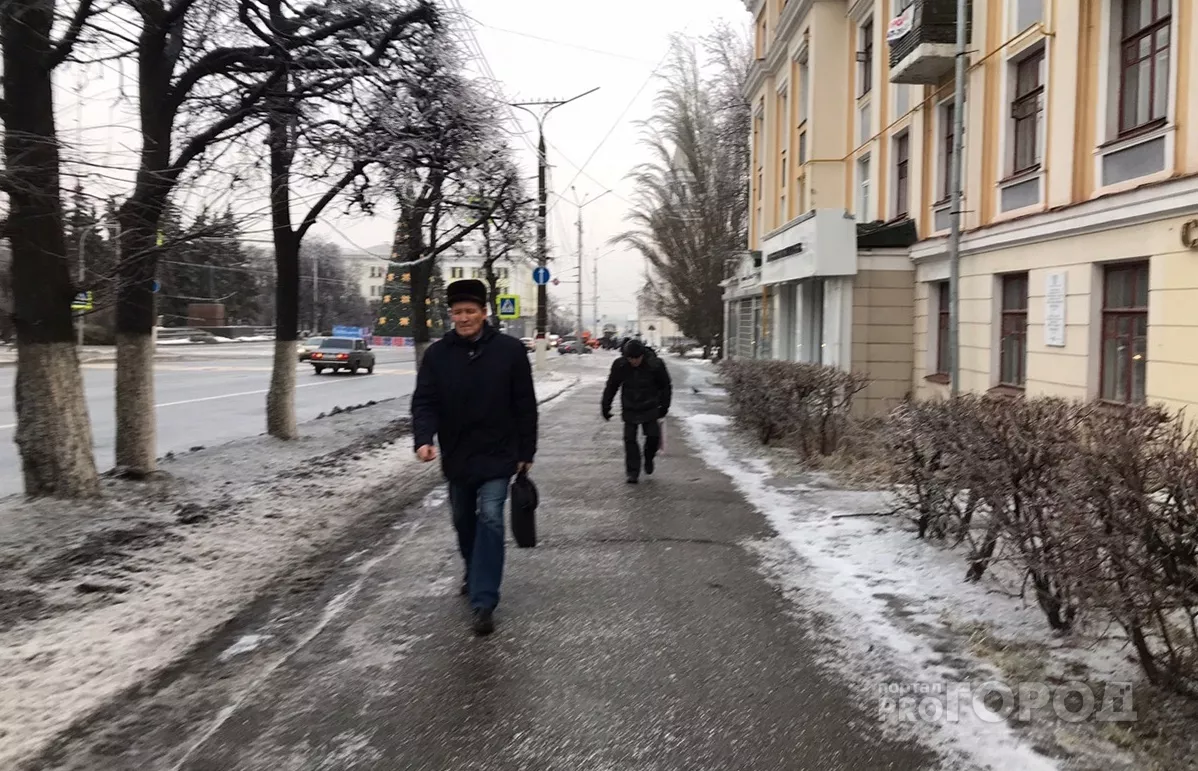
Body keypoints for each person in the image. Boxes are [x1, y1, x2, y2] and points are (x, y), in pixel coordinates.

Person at [411, 279, 537, 636]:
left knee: (492, 518)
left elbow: (525, 405)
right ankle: (474, 568)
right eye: (457, 312)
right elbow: (425, 401)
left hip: (498, 452)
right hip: (458, 454)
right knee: (463, 519)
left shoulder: (510, 351)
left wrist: (526, 451)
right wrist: (424, 439)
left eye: (470, 311)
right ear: (451, 315)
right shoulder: (438, 355)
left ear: (484, 312)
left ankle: (484, 601)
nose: (463, 318)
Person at [601, 339, 672, 484]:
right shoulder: (620, 365)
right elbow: (612, 386)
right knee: (630, 440)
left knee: (653, 437)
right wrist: (605, 406)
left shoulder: (655, 364)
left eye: (636, 358)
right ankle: (632, 472)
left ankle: (649, 457)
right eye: (630, 358)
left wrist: (664, 406)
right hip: (630, 406)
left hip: (650, 406)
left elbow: (666, 386)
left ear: (642, 355)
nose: (634, 361)